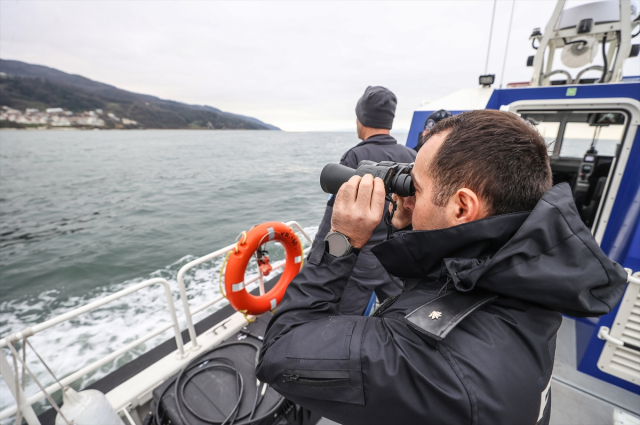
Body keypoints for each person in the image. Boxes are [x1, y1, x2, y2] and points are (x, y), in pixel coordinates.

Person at [256, 109, 627, 425]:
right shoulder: (529, 278)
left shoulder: (420, 356)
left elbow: (277, 351)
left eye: (416, 187)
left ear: (462, 207)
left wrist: (342, 241)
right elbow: (442, 284)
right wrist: (411, 224)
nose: (407, 196)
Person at [309, 85, 416, 315]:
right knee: (399, 316)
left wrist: (316, 260)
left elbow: (335, 215)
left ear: (361, 119)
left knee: (345, 323)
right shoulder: (411, 156)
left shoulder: (355, 157)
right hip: (395, 259)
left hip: (360, 263)